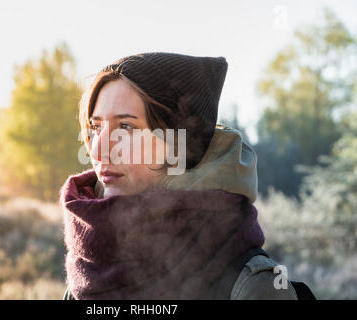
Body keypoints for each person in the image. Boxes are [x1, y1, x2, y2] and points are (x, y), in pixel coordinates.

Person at [59, 52, 302, 300]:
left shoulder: (253, 285)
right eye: (96, 127)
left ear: (178, 145)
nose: (98, 150)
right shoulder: (88, 273)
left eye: (126, 127)